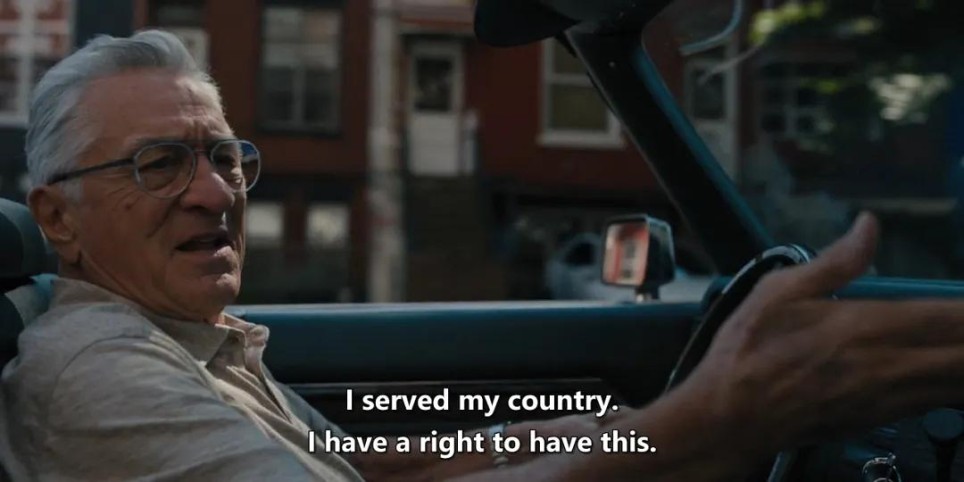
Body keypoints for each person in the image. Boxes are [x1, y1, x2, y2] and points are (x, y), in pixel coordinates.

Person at [3, 29, 964, 482]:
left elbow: (362, 462)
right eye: (160, 164)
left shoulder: (192, 343)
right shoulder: (97, 372)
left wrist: (595, 430)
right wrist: (717, 416)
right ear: (58, 219)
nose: (216, 193)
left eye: (223, 157)